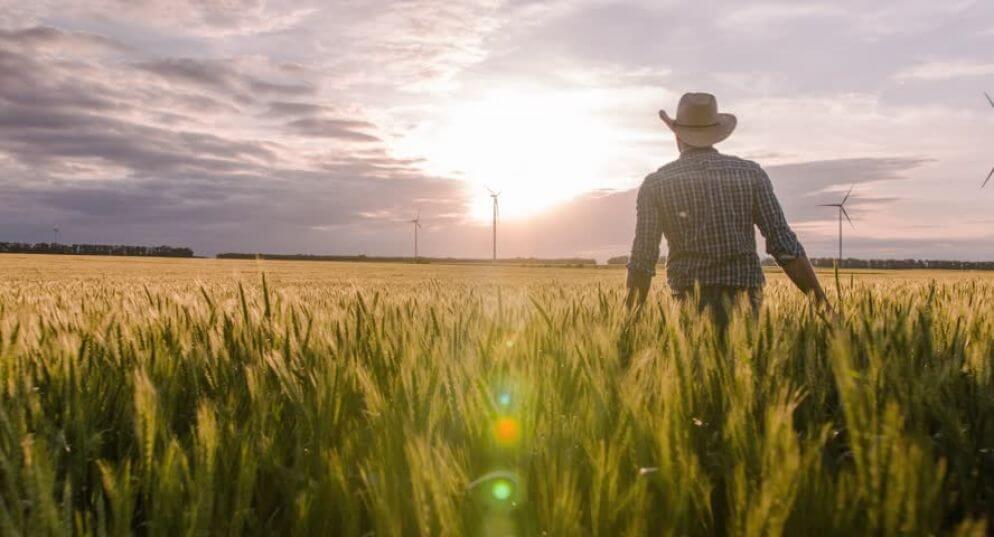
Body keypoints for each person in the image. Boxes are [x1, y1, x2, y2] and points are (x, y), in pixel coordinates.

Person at [625, 92, 829, 325]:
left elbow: (643, 258)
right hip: (746, 303)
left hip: (690, 306)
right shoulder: (750, 174)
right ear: (716, 134)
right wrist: (824, 307)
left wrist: (628, 322)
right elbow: (784, 244)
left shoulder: (656, 184)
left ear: (677, 135)